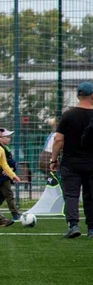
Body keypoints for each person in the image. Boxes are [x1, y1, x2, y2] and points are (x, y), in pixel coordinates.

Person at [50, 80, 93, 239]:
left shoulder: (68, 115)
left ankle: (73, 225)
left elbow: (58, 140)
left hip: (71, 162)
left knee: (71, 195)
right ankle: (92, 229)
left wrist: (53, 159)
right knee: (91, 196)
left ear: (78, 95)